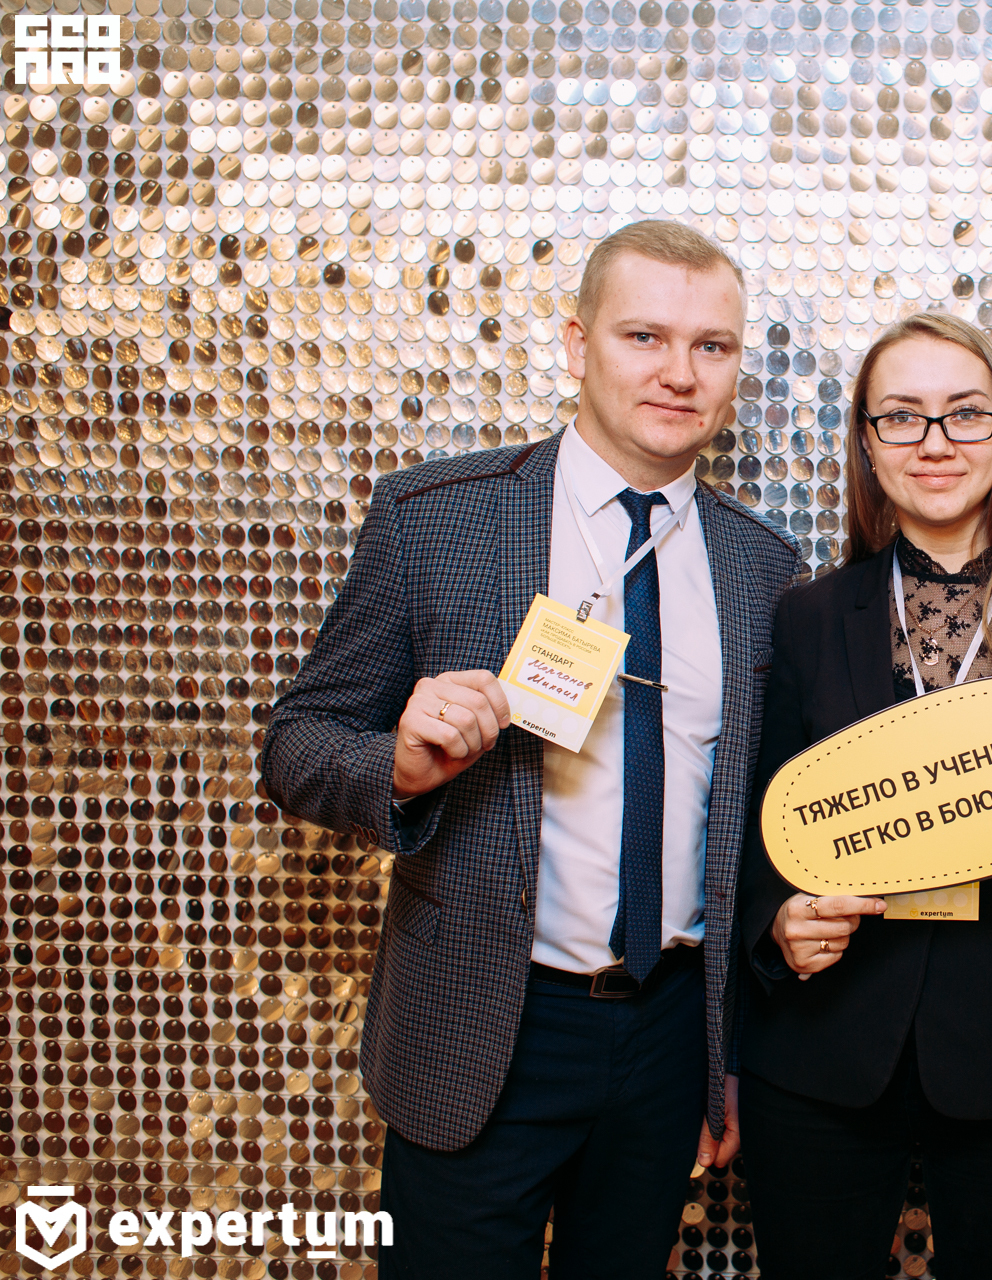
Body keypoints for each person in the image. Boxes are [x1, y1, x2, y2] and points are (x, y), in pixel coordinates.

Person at [258, 221, 798, 1278]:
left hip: (669, 1034)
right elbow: (296, 745)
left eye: (712, 346)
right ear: (576, 342)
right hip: (481, 1024)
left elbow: (746, 832)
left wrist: (727, 1053)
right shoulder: (435, 518)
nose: (679, 373)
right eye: (644, 336)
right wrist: (399, 767)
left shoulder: (762, 566)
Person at [735, 311, 992, 1280]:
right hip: (825, 1048)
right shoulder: (805, 615)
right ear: (866, 440)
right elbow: (757, 824)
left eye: (965, 413)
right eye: (902, 416)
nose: (934, 443)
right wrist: (777, 924)